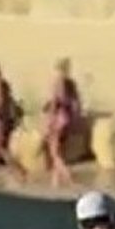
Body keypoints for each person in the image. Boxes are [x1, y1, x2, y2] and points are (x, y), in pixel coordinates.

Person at [43, 58, 82, 188]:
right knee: (59, 150)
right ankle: (57, 182)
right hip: (68, 118)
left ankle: (69, 178)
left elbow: (55, 101)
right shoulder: (71, 83)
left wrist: (49, 120)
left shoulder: (58, 82)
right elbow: (76, 103)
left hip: (58, 119)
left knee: (55, 152)